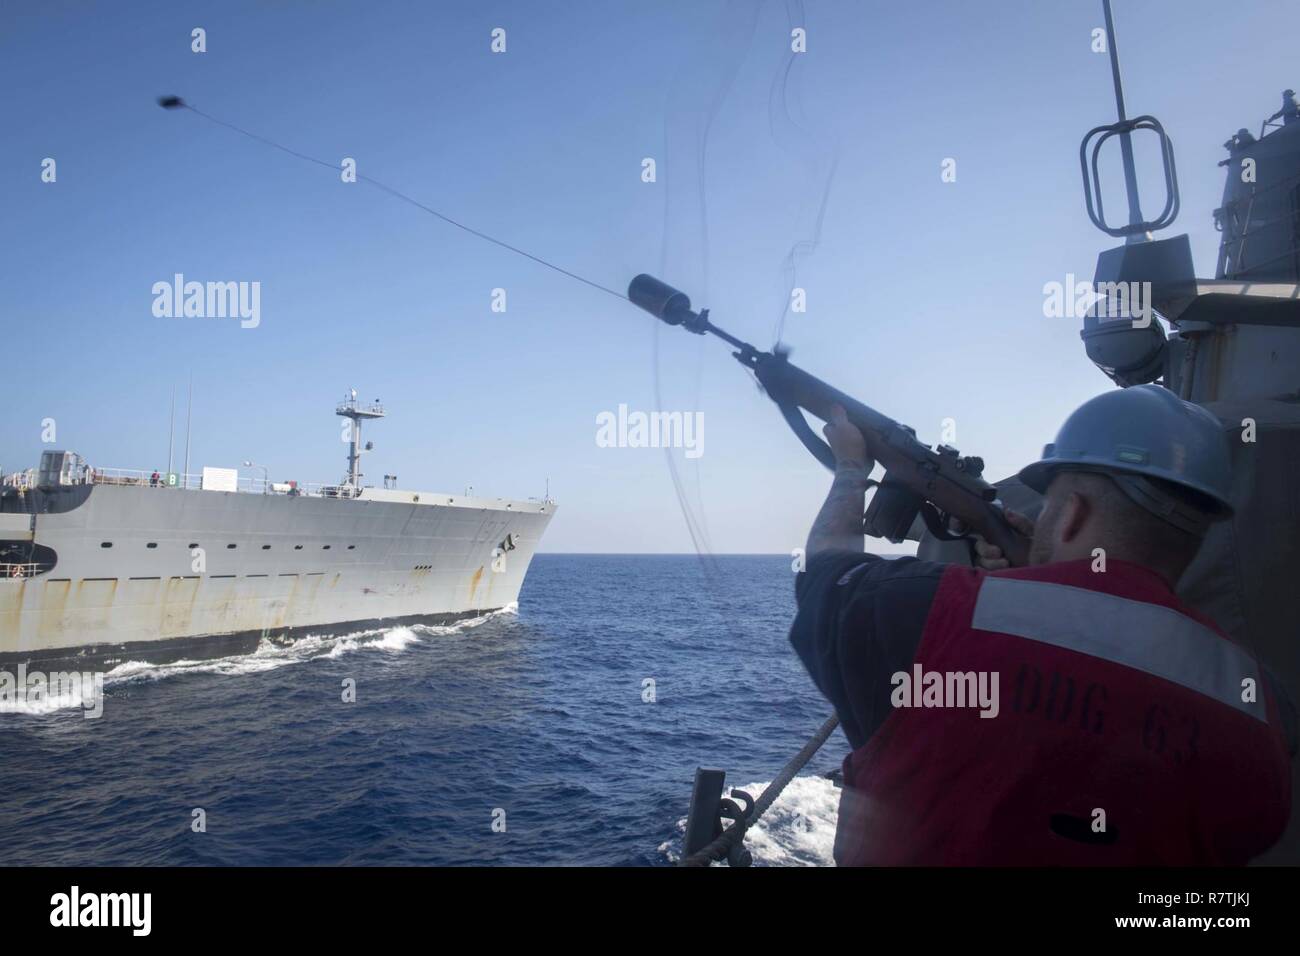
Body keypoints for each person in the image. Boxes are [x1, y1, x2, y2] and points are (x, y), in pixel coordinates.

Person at [790, 385, 1294, 865]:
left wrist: (851, 467)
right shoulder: (1264, 706)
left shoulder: (929, 612)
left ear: (1072, 513)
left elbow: (824, 581)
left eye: (1051, 504)